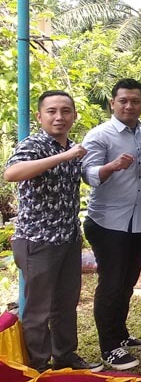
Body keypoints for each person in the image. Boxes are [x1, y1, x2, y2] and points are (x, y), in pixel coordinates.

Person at [3, 91, 101, 372]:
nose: (60, 117)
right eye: (52, 111)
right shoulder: (34, 144)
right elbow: (12, 173)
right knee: (38, 309)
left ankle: (65, 355)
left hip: (68, 238)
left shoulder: (71, 146)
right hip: (37, 240)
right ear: (39, 116)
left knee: (66, 302)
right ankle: (38, 365)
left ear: (74, 115)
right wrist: (64, 156)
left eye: (66, 111)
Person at [80, 79, 141, 370]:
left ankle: (120, 335)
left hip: (138, 222)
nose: (129, 106)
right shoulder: (100, 135)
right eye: (123, 100)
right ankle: (108, 347)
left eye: (135, 101)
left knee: (127, 283)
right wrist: (111, 167)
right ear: (112, 103)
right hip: (107, 221)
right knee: (111, 284)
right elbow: (87, 174)